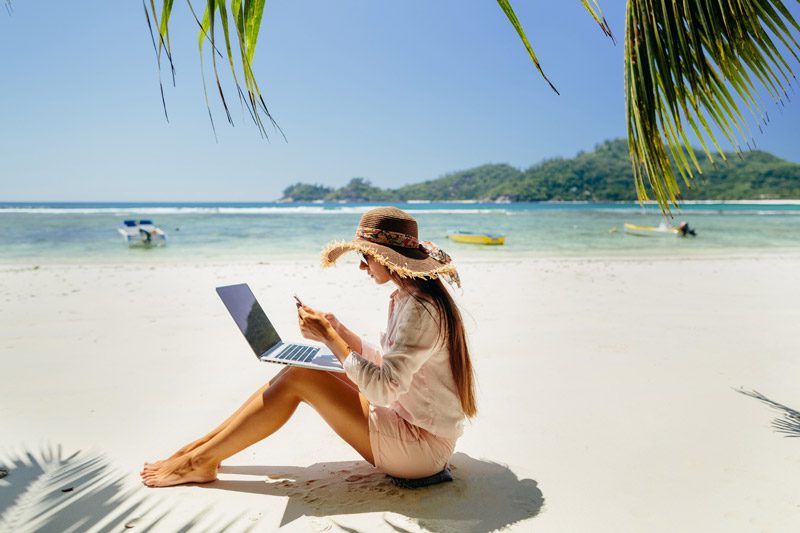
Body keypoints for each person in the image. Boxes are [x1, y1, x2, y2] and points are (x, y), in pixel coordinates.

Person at [140, 206, 476, 487]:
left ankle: (200, 460)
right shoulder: (410, 298)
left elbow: (383, 390)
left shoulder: (419, 309)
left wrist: (330, 338)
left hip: (421, 450)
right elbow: (389, 365)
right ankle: (201, 449)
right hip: (413, 425)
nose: (362, 265)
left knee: (302, 377)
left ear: (388, 258)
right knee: (299, 370)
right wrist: (339, 330)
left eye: (366, 256)